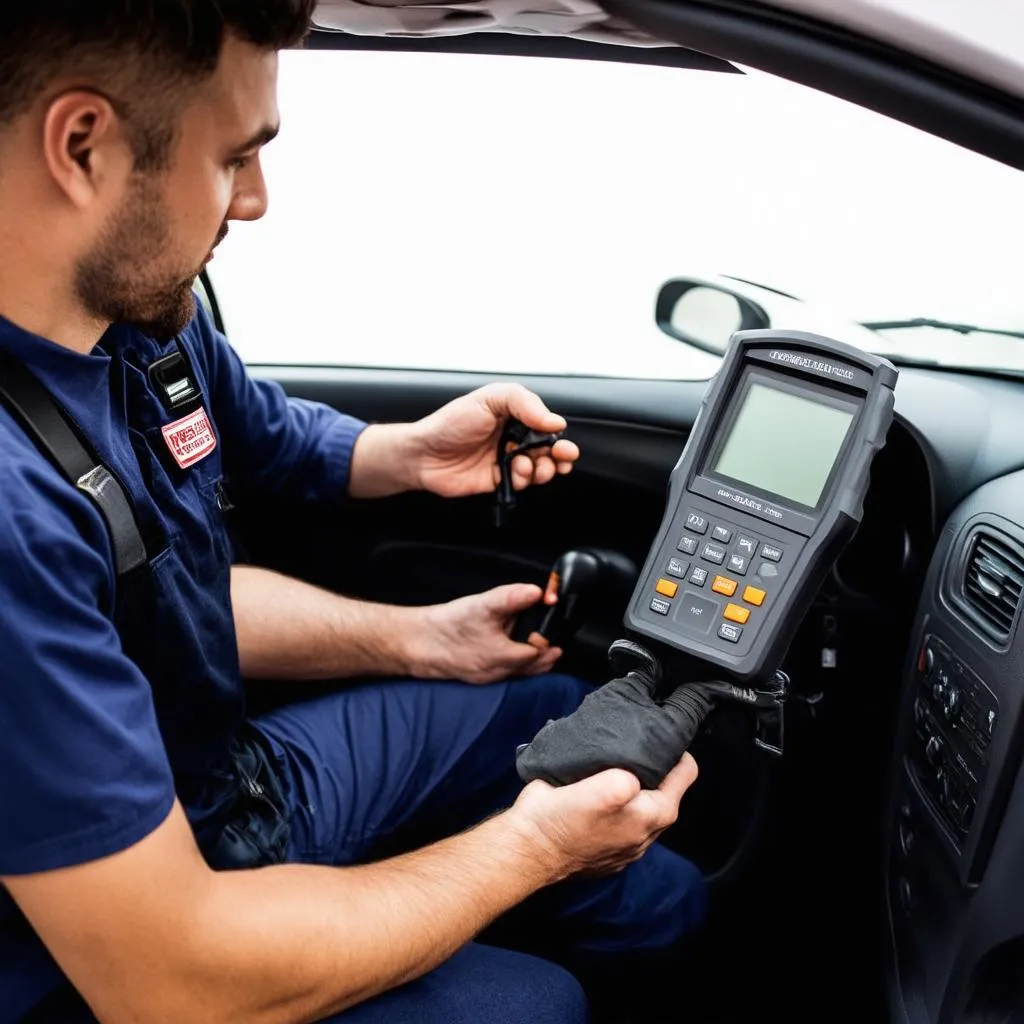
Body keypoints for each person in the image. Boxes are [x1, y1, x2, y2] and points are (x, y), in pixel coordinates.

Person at [0, 4, 708, 1022]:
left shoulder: (135, 323)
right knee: (534, 1006)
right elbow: (173, 978)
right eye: (233, 158)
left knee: (566, 733)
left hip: (224, 784)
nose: (253, 201)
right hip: (106, 944)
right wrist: (530, 850)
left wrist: (415, 553)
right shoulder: (11, 509)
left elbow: (268, 453)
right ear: (82, 146)